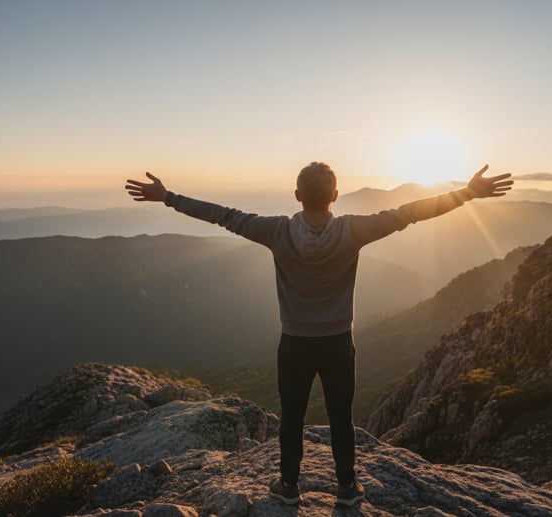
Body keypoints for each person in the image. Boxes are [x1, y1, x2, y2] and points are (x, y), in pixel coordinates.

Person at [125, 162, 512, 507]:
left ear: (297, 196)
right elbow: (409, 213)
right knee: (340, 416)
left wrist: (167, 197)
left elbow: (223, 216)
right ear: (336, 196)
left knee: (291, 416)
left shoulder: (276, 231)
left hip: (294, 342)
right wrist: (468, 194)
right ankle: (346, 487)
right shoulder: (352, 230)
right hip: (338, 342)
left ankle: (289, 486)